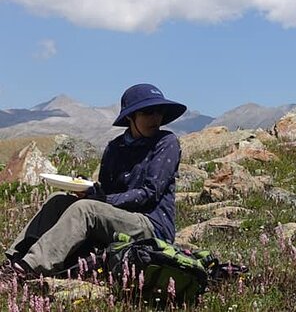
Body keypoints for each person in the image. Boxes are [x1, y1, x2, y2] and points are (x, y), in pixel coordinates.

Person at [3, 83, 186, 278]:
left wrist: (100, 200)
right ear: (131, 117)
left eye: (159, 112)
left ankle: (30, 267)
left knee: (86, 209)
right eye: (148, 112)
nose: (155, 118)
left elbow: (149, 192)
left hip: (150, 225)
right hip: (118, 217)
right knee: (57, 200)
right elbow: (107, 190)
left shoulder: (166, 142)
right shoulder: (115, 147)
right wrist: (88, 189)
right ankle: (14, 259)